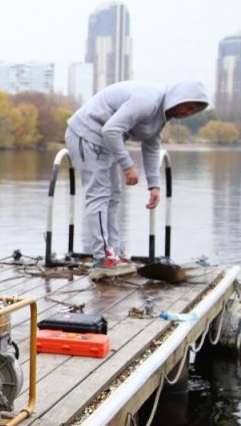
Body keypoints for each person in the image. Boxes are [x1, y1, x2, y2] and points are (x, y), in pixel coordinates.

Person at [65, 80, 209, 279]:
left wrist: (154, 185)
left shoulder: (160, 115)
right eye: (188, 106)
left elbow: (151, 147)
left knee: (114, 196)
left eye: (193, 111)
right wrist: (128, 165)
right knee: (98, 196)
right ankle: (101, 258)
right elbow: (111, 129)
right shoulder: (148, 100)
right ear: (179, 98)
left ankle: (113, 251)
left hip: (105, 142)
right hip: (86, 134)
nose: (188, 112)